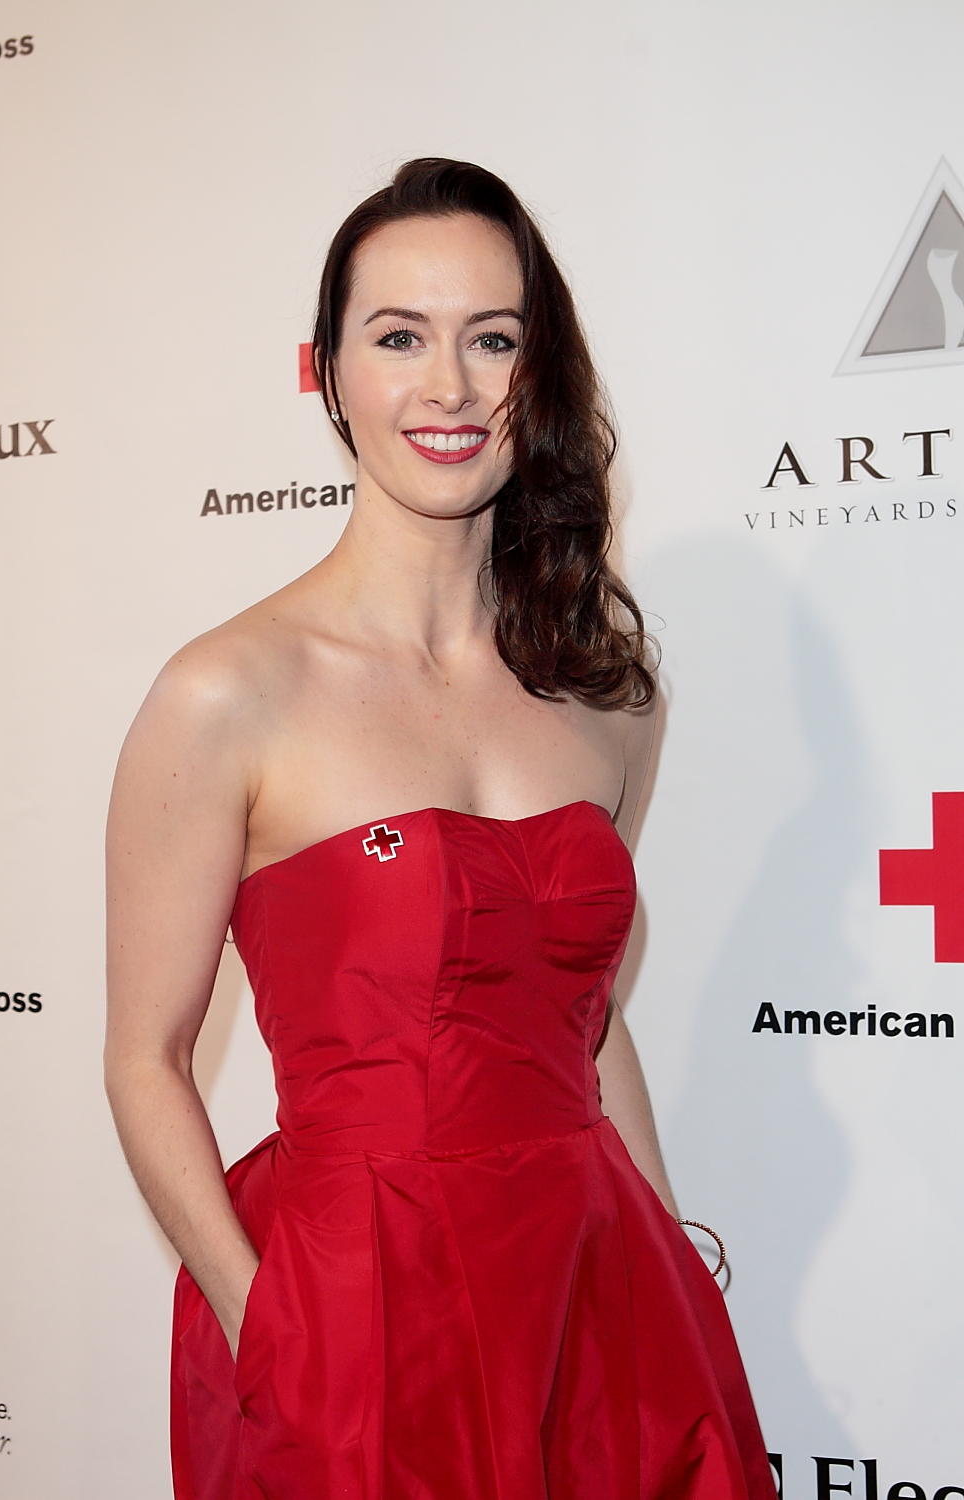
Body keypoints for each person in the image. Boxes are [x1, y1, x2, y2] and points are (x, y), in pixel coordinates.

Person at [105, 158, 776, 1500]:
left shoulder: (605, 697)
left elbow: (582, 1019)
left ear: (544, 370)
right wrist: (264, 1317)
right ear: (328, 368)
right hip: (359, 1311)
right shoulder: (230, 688)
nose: (449, 387)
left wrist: (666, 1249)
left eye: (494, 339)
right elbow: (144, 1059)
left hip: (596, 1294)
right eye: (399, 336)